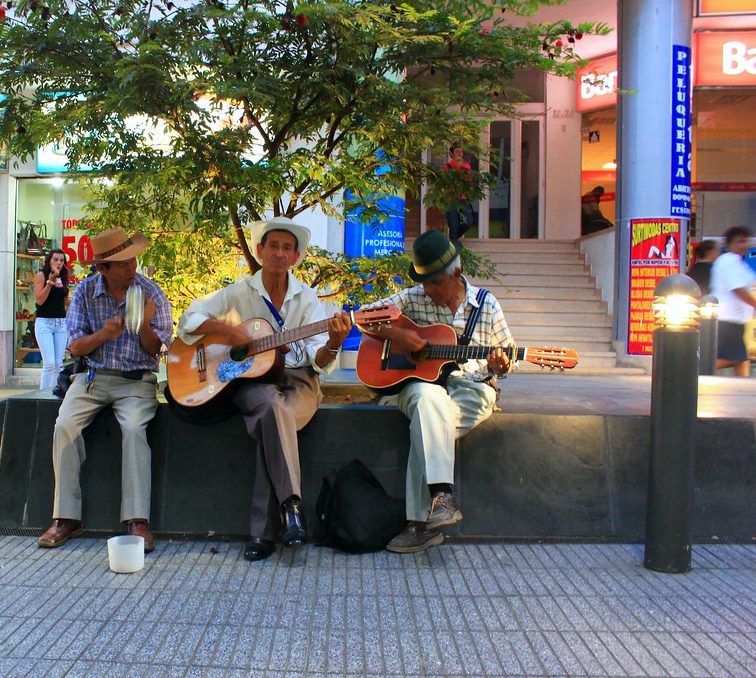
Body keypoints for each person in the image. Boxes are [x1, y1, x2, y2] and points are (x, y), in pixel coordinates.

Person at [176, 217, 352, 562]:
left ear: (296, 257)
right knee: (273, 410)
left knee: (276, 418)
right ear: (259, 251)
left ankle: (265, 530)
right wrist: (226, 332)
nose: (280, 253)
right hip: (252, 381)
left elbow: (319, 361)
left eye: (288, 248)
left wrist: (334, 341)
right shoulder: (239, 292)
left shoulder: (308, 299)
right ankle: (293, 509)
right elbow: (189, 320)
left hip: (300, 382)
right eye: (273, 246)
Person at [362, 230, 515, 554]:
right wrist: (400, 337)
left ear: (456, 274)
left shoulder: (486, 305)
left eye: (435, 283)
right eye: (425, 282)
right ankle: (440, 496)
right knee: (428, 398)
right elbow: (364, 319)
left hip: (471, 389)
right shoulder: (412, 297)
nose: (428, 291)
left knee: (428, 421)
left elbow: (507, 356)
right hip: (419, 388)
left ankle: (419, 524)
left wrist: (501, 366)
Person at [37, 228, 173, 553]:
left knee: (134, 429)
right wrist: (104, 334)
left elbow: (158, 350)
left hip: (136, 381)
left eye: (133, 260)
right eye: (123, 264)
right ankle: (66, 517)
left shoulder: (150, 292)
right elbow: (74, 345)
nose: (132, 268)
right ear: (103, 269)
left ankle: (137, 520)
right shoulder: (85, 291)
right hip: (92, 378)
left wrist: (144, 327)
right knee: (64, 427)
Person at [711, 225, 756, 377]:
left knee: (741, 358)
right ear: (729, 244)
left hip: (735, 320)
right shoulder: (729, 260)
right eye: (739, 242)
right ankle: (694, 372)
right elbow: (738, 289)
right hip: (727, 320)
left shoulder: (737, 262)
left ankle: (743, 390)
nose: (743, 245)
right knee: (731, 358)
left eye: (745, 242)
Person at [34, 249, 70, 392]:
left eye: (61, 260)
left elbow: (65, 301)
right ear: (49, 260)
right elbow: (39, 300)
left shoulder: (63, 277)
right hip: (45, 323)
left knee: (58, 364)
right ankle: (43, 394)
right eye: (56, 259)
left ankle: (56, 391)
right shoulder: (41, 275)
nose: (59, 263)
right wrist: (50, 282)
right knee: (49, 363)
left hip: (60, 323)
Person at [443, 146, 476, 242]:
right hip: (451, 199)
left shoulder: (466, 167)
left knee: (468, 221)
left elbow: (469, 182)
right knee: (453, 225)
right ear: (451, 154)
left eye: (461, 152)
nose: (459, 154)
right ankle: (453, 241)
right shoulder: (447, 167)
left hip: (463, 198)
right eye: (457, 152)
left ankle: (454, 238)